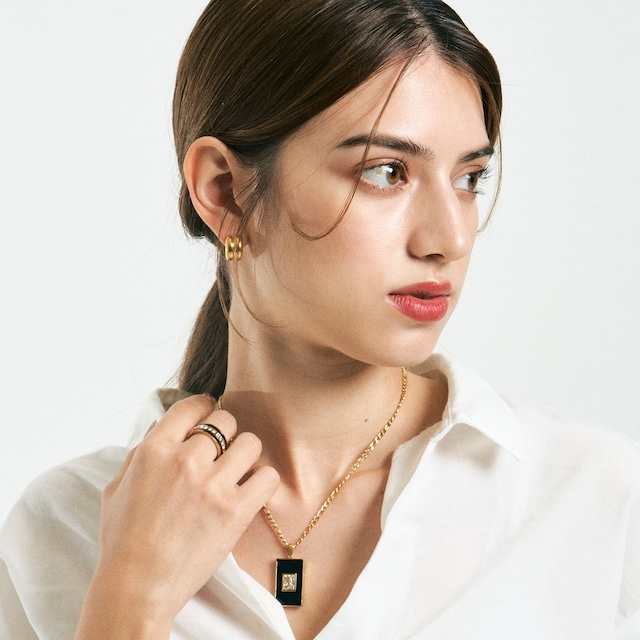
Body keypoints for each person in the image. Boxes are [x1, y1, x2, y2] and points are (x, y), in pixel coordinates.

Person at [1, 0, 639, 638]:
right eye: (387, 172)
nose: (450, 238)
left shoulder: (595, 501)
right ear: (223, 190)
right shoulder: (61, 531)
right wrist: (130, 597)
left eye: (470, 177)